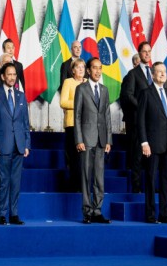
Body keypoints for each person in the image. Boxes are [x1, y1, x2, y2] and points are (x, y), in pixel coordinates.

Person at [0, 63, 31, 225]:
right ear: (3, 76)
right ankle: (1, 214)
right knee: (4, 182)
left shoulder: (21, 96)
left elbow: (26, 123)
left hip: (19, 146)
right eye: (9, 74)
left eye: (14, 74)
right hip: (2, 146)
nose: (12, 77)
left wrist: (27, 144)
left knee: (16, 182)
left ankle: (14, 214)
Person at [138, 62, 167, 224]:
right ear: (153, 75)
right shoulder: (146, 93)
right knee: (150, 179)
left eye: (164, 71)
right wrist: (144, 142)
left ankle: (164, 214)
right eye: (159, 72)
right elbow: (140, 120)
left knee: (166, 181)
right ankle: (150, 215)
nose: (163, 74)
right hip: (152, 145)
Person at [74, 58, 112, 224]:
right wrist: (79, 139)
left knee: (99, 178)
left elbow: (107, 116)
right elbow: (77, 116)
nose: (97, 71)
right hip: (86, 140)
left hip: (101, 140)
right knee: (86, 178)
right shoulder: (81, 89)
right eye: (94, 68)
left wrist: (109, 140)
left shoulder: (104, 90)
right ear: (88, 71)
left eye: (100, 68)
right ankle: (87, 212)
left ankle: (97, 211)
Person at [119, 41, 152, 193]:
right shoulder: (133, 74)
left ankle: (151, 186)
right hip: (138, 120)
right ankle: (136, 187)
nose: (147, 54)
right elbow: (128, 94)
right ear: (139, 54)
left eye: (149, 51)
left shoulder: (154, 72)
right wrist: (142, 106)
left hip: (152, 122)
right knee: (137, 156)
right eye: (144, 51)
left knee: (152, 156)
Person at [60, 58, 86, 192]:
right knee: (73, 157)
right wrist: (80, 105)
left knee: (85, 158)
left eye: (83, 67)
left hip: (86, 125)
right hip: (72, 125)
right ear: (73, 70)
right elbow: (63, 102)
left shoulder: (88, 83)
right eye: (78, 67)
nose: (81, 69)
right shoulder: (68, 82)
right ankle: (74, 186)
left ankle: (84, 186)